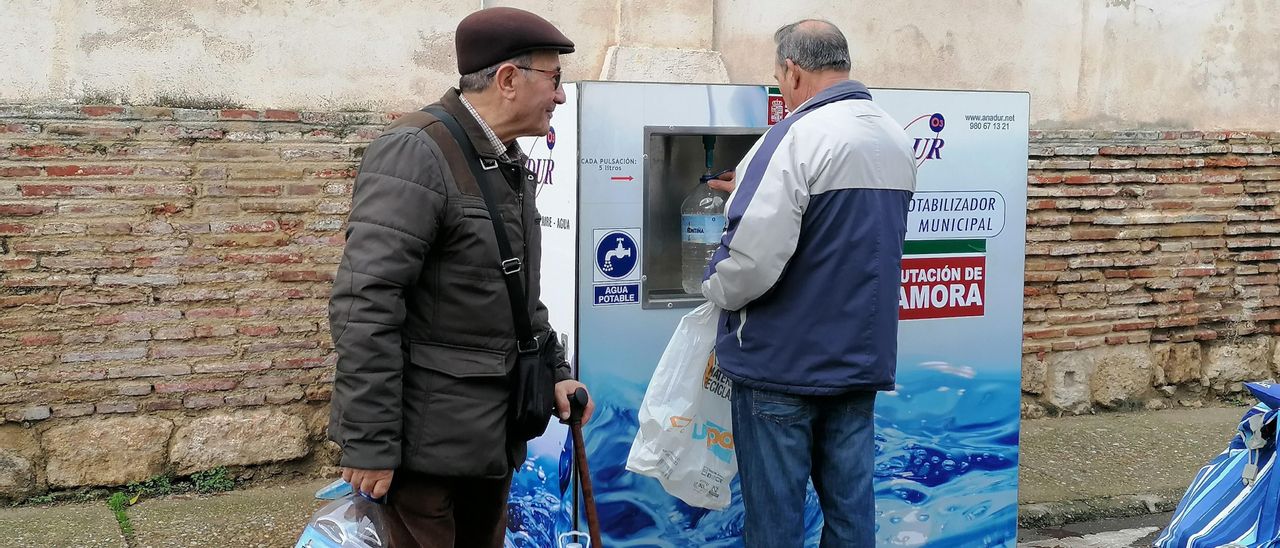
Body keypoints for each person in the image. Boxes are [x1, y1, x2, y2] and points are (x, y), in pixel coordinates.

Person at [326, 7, 593, 548]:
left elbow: (518, 292)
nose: (561, 96)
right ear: (509, 79)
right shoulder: (416, 151)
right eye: (555, 79)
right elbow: (365, 303)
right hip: (426, 447)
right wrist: (371, 441)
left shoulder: (503, 160)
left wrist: (554, 372)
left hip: (488, 437)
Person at [700, 19, 917, 548]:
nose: (780, 87)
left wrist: (713, 287)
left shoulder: (795, 135)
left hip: (782, 367)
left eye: (778, 78)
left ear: (793, 72)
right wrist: (747, 192)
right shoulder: (893, 134)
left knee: (774, 522)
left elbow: (751, 260)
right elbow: (842, 236)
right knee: (850, 516)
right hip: (857, 365)